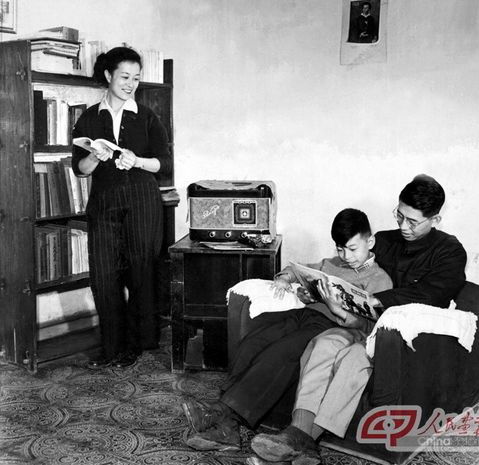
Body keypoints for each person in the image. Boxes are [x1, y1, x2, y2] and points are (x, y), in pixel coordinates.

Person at [250, 174, 467, 465]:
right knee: (325, 344)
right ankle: (300, 434)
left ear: (436, 219)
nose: (403, 226)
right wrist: (320, 290)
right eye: (399, 215)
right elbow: (349, 266)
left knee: (354, 359)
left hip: (403, 337)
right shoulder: (386, 241)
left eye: (412, 222)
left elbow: (431, 295)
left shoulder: (449, 251)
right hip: (359, 326)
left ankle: (303, 439)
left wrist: (377, 300)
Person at [182, 208, 392, 452]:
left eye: (352, 249)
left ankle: (223, 413)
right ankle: (228, 426)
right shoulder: (331, 263)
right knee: (254, 341)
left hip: (332, 327)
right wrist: (285, 278)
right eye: (340, 249)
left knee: (284, 350)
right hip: (304, 315)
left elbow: (371, 325)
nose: (346, 256)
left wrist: (335, 307)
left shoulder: (380, 279)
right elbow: (299, 270)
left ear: (370, 242)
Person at [72, 47, 171, 369]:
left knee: (141, 271)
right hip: (104, 202)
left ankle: (136, 344)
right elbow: (80, 169)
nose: (131, 84)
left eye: (136, 78)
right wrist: (93, 156)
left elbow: (164, 163)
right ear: (108, 75)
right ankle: (111, 347)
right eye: (125, 77)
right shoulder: (89, 117)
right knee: (104, 275)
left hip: (142, 199)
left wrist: (137, 160)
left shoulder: (147, 116)